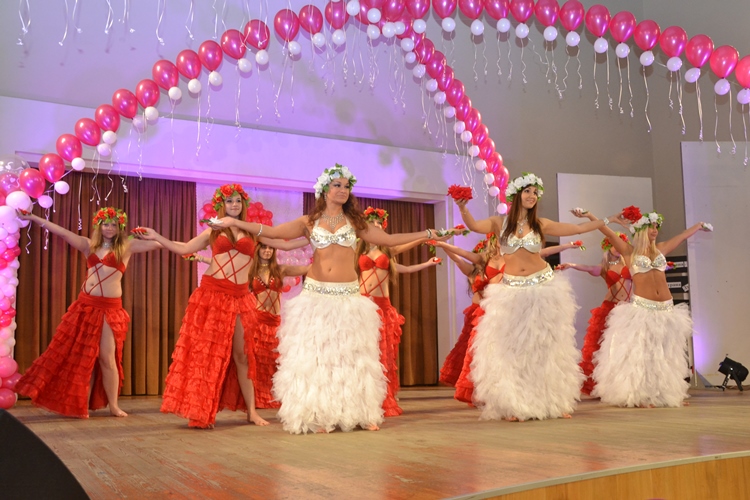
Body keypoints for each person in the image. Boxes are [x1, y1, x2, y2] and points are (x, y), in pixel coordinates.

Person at [209, 164, 441, 433]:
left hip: (348, 298)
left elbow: (389, 240)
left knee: (352, 358)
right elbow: (271, 232)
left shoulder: (356, 223)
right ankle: (316, 416)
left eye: (346, 186)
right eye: (337, 185)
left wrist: (426, 234)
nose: (342, 190)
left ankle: (360, 413)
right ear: (324, 190)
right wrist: (236, 222)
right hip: (315, 297)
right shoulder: (308, 222)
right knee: (315, 359)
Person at [136, 184, 304, 428]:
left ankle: (251, 411)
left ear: (243, 205)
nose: (234, 205)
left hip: (240, 297)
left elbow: (285, 245)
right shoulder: (212, 232)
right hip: (213, 294)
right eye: (229, 201)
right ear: (222, 205)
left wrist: (320, 239)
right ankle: (202, 412)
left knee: (242, 356)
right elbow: (185, 248)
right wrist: (156, 236)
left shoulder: (253, 233)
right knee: (208, 354)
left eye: (237, 201)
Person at [456, 172, 619, 421]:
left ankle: (553, 401)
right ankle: (514, 404)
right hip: (510, 292)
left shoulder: (541, 224)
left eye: (535, 193)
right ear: (516, 195)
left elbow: (577, 228)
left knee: (546, 348)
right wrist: (462, 208)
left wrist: (608, 219)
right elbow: (474, 226)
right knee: (511, 349)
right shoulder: (499, 223)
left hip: (542, 289)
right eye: (527, 191)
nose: (532, 196)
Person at [15, 207, 161, 418]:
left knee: (107, 358)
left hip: (109, 308)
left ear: (119, 227)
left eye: (113, 225)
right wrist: (33, 217)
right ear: (99, 226)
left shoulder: (126, 246)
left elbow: (159, 244)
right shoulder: (88, 245)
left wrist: (149, 234)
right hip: (85, 306)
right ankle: (79, 403)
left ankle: (114, 405)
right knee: (78, 357)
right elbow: (61, 232)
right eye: (105, 224)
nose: (109, 228)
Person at [573, 208, 711, 407]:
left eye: (656, 227)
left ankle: (665, 395)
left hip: (666, 309)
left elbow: (682, 236)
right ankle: (639, 396)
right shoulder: (629, 251)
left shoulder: (661, 249)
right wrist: (589, 216)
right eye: (650, 227)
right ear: (639, 230)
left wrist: (698, 226)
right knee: (642, 355)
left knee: (665, 354)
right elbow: (606, 231)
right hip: (643, 309)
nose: (654, 230)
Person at [357, 206, 441, 417]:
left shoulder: (388, 251)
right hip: (361, 305)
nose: (376, 227)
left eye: (379, 225)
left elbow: (406, 262)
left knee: (382, 354)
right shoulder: (357, 251)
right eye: (372, 225)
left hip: (382, 307)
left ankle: (381, 399)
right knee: (361, 354)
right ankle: (360, 397)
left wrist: (425, 244)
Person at [557, 232, 632, 396]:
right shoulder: (604, 267)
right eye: (614, 244)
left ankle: (622, 384)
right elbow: (589, 268)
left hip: (627, 309)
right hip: (610, 308)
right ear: (608, 247)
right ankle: (599, 383)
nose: (617, 247)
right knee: (602, 346)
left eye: (620, 244)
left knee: (625, 348)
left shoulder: (630, 263)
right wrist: (571, 264)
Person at [247, 243, 309, 409]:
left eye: (271, 248)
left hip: (274, 322)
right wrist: (201, 258)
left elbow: (307, 269)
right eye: (264, 247)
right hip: (257, 320)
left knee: (274, 360)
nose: (267, 251)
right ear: (258, 249)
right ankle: (256, 399)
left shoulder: (280, 269)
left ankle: (272, 396)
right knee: (257, 361)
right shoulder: (250, 270)